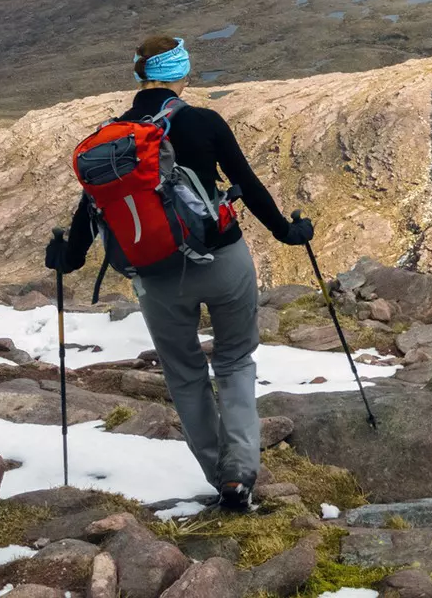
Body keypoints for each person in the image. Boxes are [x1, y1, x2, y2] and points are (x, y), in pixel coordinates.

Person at [46, 34, 314, 513]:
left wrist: (64, 258)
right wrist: (287, 233)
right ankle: (240, 476)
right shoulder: (203, 121)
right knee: (234, 362)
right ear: (181, 73)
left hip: (156, 276)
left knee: (185, 375)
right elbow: (246, 184)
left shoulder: (112, 141)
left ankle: (220, 480)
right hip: (223, 261)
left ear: (138, 74)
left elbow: (91, 213)